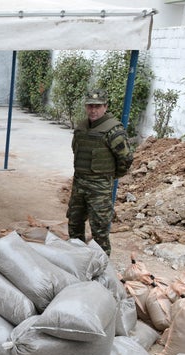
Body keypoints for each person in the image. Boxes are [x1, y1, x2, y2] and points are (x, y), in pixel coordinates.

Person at [67, 89, 133, 256]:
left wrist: (109, 176)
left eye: (97, 106)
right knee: (74, 224)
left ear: (105, 107)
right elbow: (76, 150)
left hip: (100, 188)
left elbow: (125, 159)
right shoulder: (81, 128)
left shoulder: (113, 130)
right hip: (79, 184)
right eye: (90, 106)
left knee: (100, 230)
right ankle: (77, 257)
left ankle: (102, 267)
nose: (93, 110)